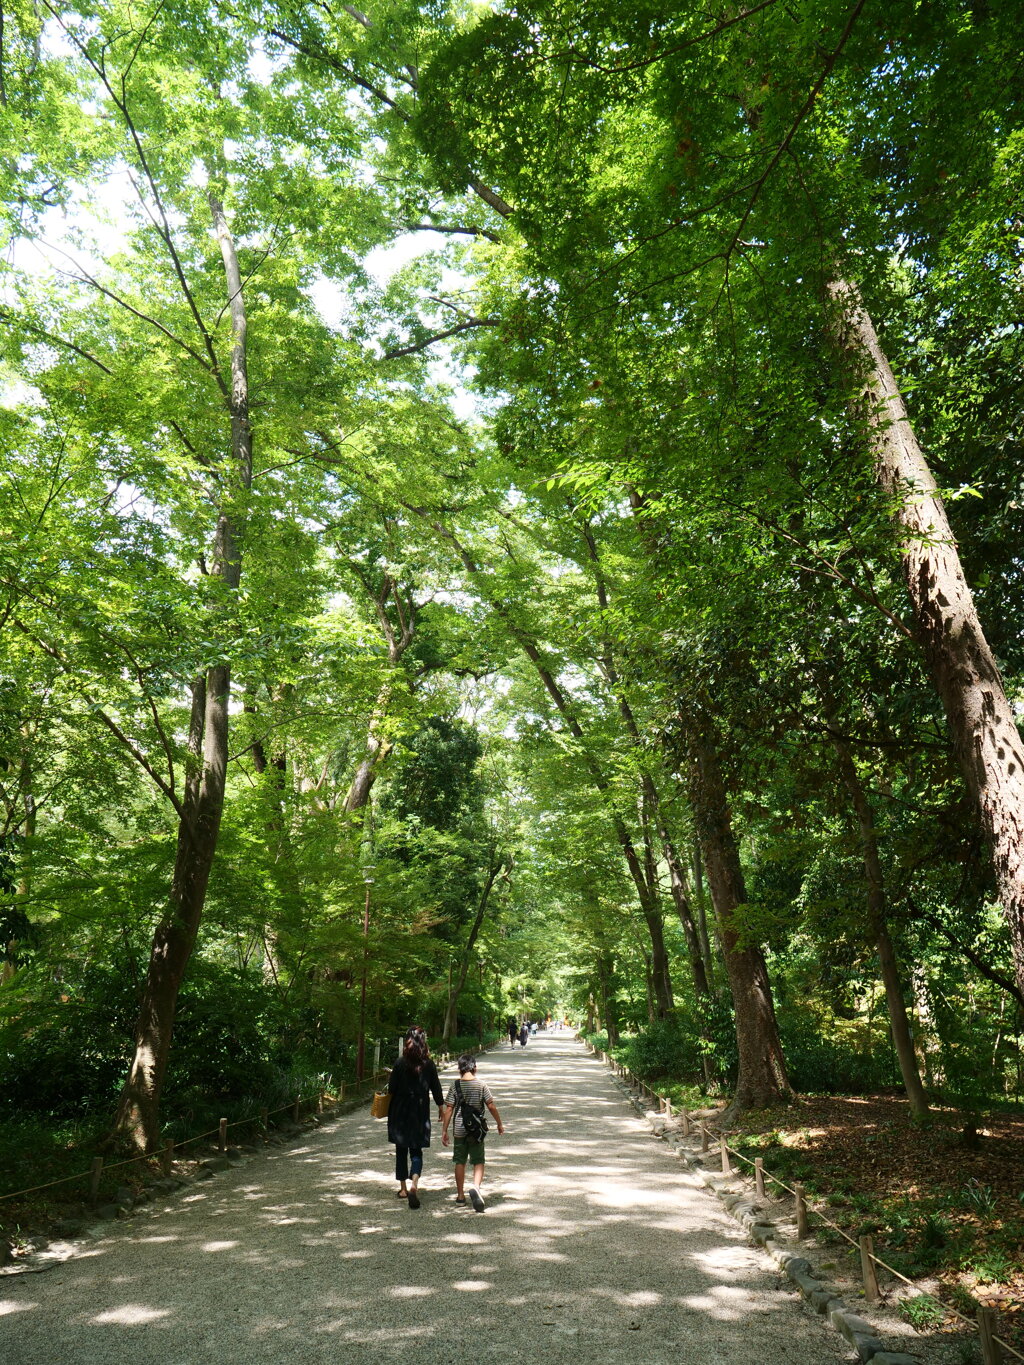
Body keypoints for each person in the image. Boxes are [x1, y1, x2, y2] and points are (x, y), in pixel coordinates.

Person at [387, 1025, 444, 1209]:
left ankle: (403, 1189)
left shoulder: (400, 1063)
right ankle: (414, 1185)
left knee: (401, 1150)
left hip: (400, 1109)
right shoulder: (428, 1063)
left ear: (408, 1040)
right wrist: (441, 1108)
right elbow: (436, 1087)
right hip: (420, 1110)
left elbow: (392, 1089)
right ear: (423, 1041)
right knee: (416, 1151)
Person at [442, 1053, 504, 1212]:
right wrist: (499, 1123)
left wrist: (444, 1130)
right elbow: (490, 1105)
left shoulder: (455, 1085)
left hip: (459, 1129)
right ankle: (476, 1187)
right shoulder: (481, 1085)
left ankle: (461, 1196)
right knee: (478, 1160)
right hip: (476, 1130)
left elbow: (449, 1108)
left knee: (459, 1161)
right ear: (474, 1067)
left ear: (459, 1069)